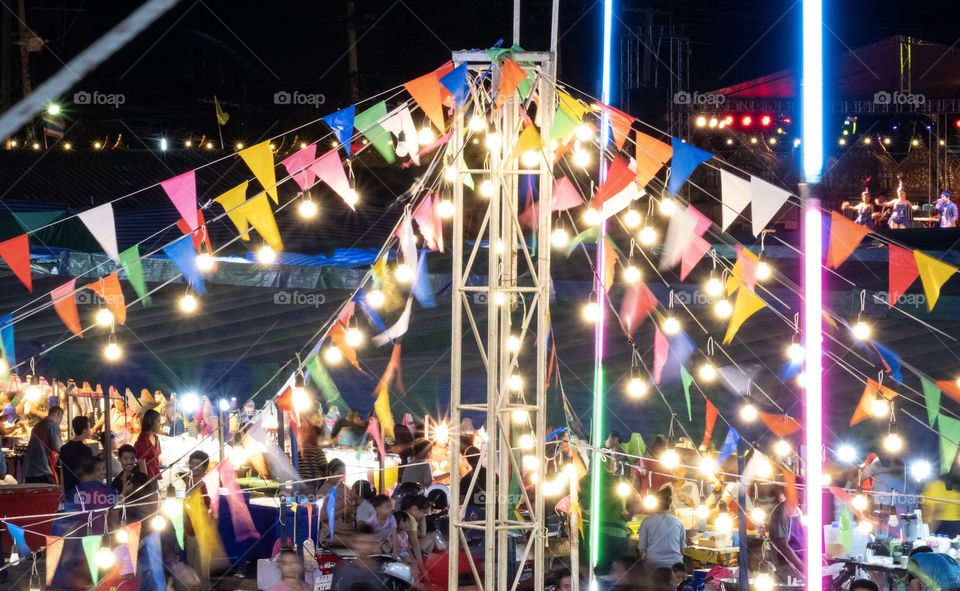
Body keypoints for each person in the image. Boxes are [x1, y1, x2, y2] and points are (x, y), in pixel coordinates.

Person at [637, 487, 687, 572]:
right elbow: (682, 549)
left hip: (653, 566)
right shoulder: (679, 522)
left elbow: (642, 550)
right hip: (675, 565)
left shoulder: (646, 522)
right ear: (670, 503)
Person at [331, 523, 384, 590]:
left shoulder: (380, 571)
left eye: (368, 543)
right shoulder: (343, 571)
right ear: (354, 543)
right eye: (361, 542)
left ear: (374, 544)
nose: (364, 547)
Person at [111, 444, 157, 521]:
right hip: (123, 519)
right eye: (125, 459)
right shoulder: (116, 482)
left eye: (132, 458)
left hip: (142, 518)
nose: (129, 462)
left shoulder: (141, 477)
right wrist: (124, 492)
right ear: (119, 459)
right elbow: (115, 505)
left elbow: (153, 496)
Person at [22, 405, 63, 484]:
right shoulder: (52, 425)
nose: (60, 421)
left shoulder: (38, 425)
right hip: (42, 470)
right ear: (58, 414)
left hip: (29, 470)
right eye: (61, 417)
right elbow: (58, 447)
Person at [768, 485, 804, 577]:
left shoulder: (798, 511)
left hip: (801, 564)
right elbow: (783, 546)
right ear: (798, 493)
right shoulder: (781, 513)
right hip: (788, 569)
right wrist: (802, 567)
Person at [59, 416, 94, 495]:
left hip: (68, 490)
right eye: (89, 427)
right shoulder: (86, 450)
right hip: (82, 492)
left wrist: (62, 491)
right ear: (84, 431)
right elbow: (88, 474)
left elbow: (62, 472)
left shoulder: (64, 448)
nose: (90, 430)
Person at [400, 494, 435, 571]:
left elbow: (421, 534)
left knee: (430, 536)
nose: (423, 515)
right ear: (415, 509)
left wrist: (422, 517)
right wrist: (421, 564)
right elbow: (414, 543)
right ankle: (423, 565)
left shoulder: (404, 515)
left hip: (404, 548)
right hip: (405, 549)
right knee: (431, 537)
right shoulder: (410, 519)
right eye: (423, 512)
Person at [298, 423, 328, 496]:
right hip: (311, 485)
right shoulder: (317, 451)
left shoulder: (299, 451)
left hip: (300, 484)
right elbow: (325, 468)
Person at [133, 409, 162, 479]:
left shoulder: (156, 438)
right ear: (150, 422)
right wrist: (146, 482)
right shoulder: (142, 441)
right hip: (147, 478)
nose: (160, 424)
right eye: (158, 421)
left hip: (155, 475)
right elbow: (141, 462)